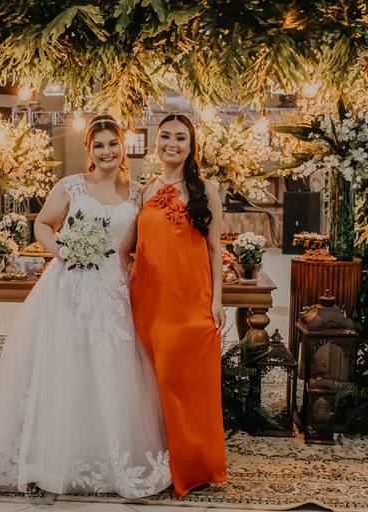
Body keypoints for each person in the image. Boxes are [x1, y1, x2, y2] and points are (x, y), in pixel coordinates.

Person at [0, 115, 171, 497]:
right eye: (99, 145)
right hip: (69, 287)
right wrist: (63, 250)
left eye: (113, 143)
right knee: (63, 366)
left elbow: (149, 238)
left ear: (122, 147)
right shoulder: (71, 186)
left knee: (112, 368)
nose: (107, 151)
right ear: (89, 150)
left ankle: (103, 452)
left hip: (115, 291)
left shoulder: (137, 193)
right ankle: (47, 454)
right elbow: (43, 225)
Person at [130, 114, 228, 497]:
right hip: (149, 301)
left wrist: (217, 300)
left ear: (191, 146)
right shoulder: (145, 190)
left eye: (180, 138)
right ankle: (163, 463)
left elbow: (215, 249)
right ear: (156, 142)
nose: (172, 144)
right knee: (157, 383)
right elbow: (133, 246)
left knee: (189, 384)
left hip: (191, 301)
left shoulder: (206, 189)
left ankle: (195, 466)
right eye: (165, 136)